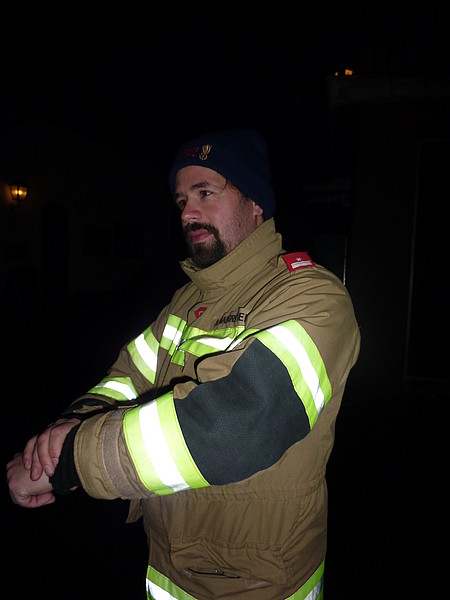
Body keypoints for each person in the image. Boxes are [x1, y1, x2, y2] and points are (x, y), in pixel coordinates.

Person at [7, 129, 360, 599]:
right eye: (181, 201)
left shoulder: (313, 296)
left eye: (205, 193)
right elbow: (126, 379)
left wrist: (70, 460)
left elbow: (234, 429)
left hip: (257, 584)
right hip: (169, 569)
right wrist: (58, 441)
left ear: (255, 201)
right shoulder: (187, 301)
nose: (187, 214)